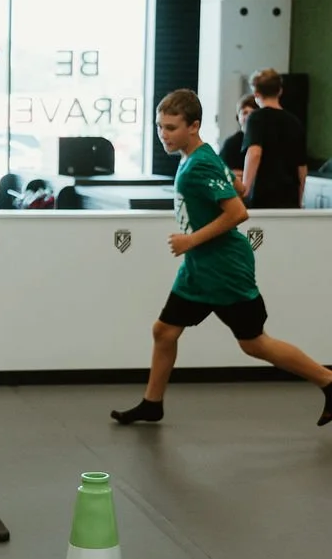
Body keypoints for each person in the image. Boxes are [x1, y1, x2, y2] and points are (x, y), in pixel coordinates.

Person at [111, 89, 332, 429]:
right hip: (199, 267)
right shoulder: (199, 155)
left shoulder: (198, 163)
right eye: (159, 127)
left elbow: (238, 212)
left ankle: (328, 381)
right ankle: (152, 403)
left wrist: (190, 240)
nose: (163, 135)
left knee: (254, 343)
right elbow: (238, 190)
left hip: (223, 267)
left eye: (171, 128)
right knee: (165, 331)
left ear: (193, 126)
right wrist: (232, 187)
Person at [241, 68, 307, 209]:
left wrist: (245, 188)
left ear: (256, 94)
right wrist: (300, 198)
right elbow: (301, 167)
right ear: (280, 91)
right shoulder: (295, 122)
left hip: (263, 194)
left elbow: (254, 153)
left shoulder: (256, 118)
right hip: (289, 195)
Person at [218, 94, 258, 189]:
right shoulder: (231, 143)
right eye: (244, 113)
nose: (248, 117)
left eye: (252, 113)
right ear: (238, 117)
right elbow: (221, 171)